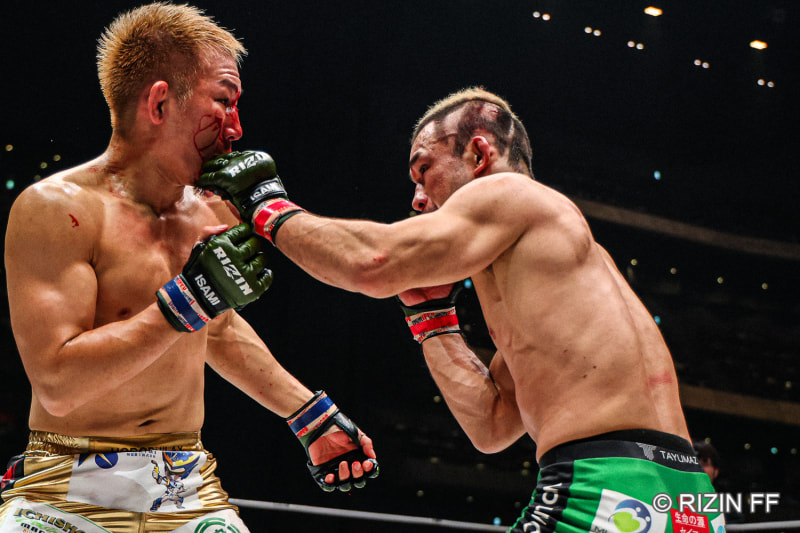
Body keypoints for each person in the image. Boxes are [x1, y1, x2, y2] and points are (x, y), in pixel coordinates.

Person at [198, 87, 726, 532]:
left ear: (478, 154)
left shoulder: (508, 192)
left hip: (611, 489)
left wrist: (265, 205)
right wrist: (433, 322)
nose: (418, 198)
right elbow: (492, 426)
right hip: (687, 502)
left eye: (424, 169)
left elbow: (371, 262)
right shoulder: (558, 276)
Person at [0, 4, 376, 532]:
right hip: (66, 486)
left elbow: (214, 328)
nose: (236, 127)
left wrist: (308, 416)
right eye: (223, 100)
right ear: (159, 103)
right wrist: (188, 300)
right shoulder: (58, 210)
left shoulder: (210, 210)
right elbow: (58, 384)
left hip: (185, 486)